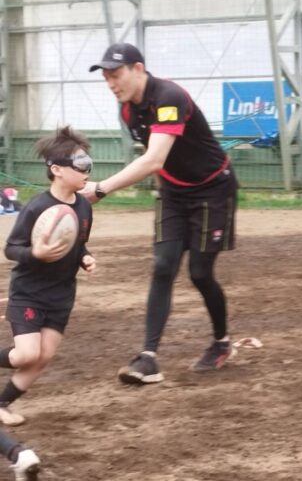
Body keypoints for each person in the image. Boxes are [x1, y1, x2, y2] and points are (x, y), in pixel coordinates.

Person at [84, 43, 238, 385]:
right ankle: (148, 357)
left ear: (138, 69)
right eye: (106, 77)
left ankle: (221, 342)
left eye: (116, 75)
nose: (111, 83)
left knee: (200, 273)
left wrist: (101, 188)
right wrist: (163, 192)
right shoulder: (128, 110)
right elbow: (156, 157)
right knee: (163, 265)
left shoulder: (169, 97)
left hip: (212, 190)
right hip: (173, 194)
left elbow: (154, 158)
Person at [0, 127, 95, 426]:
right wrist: (35, 254)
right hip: (29, 293)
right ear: (57, 170)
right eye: (80, 164)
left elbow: (78, 242)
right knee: (26, 355)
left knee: (43, 357)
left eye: (88, 163)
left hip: (62, 296)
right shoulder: (37, 207)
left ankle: (2, 404)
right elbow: (11, 248)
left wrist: (85, 257)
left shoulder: (83, 206)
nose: (87, 170)